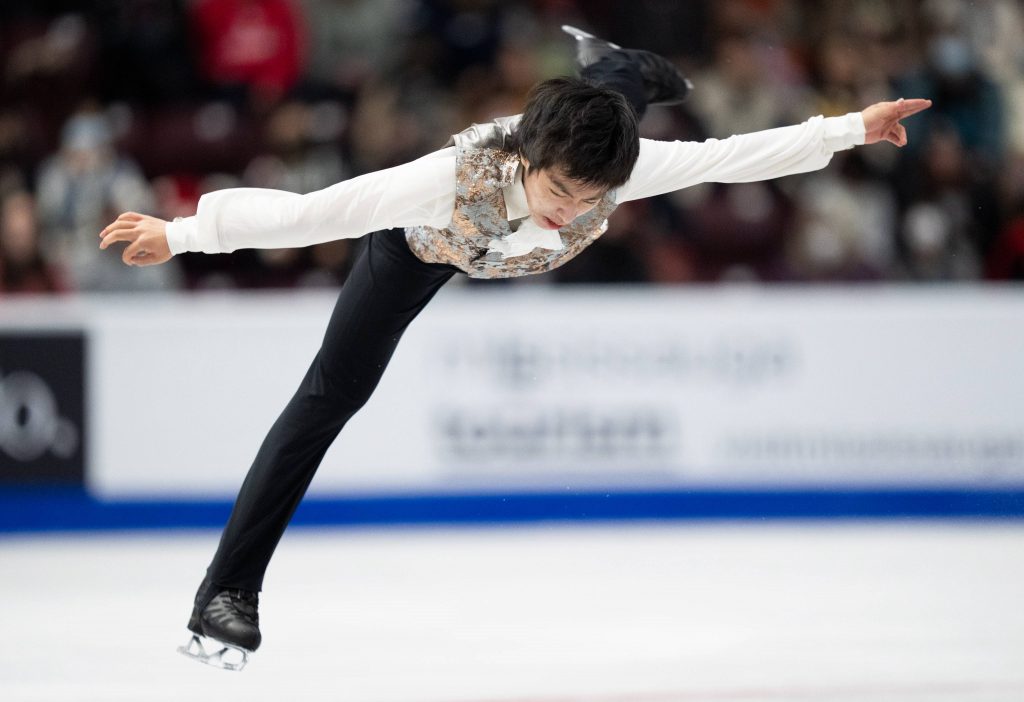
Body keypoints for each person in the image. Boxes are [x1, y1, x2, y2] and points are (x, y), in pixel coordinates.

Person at [99, 26, 931, 670]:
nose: (575, 211)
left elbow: (731, 159)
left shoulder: (617, 167)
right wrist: (182, 232)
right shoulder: (441, 179)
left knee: (613, 108)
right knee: (330, 397)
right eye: (562, 191)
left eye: (593, 197)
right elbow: (313, 212)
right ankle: (227, 592)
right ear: (526, 159)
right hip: (421, 247)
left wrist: (855, 127)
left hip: (549, 178)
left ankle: (622, 68)